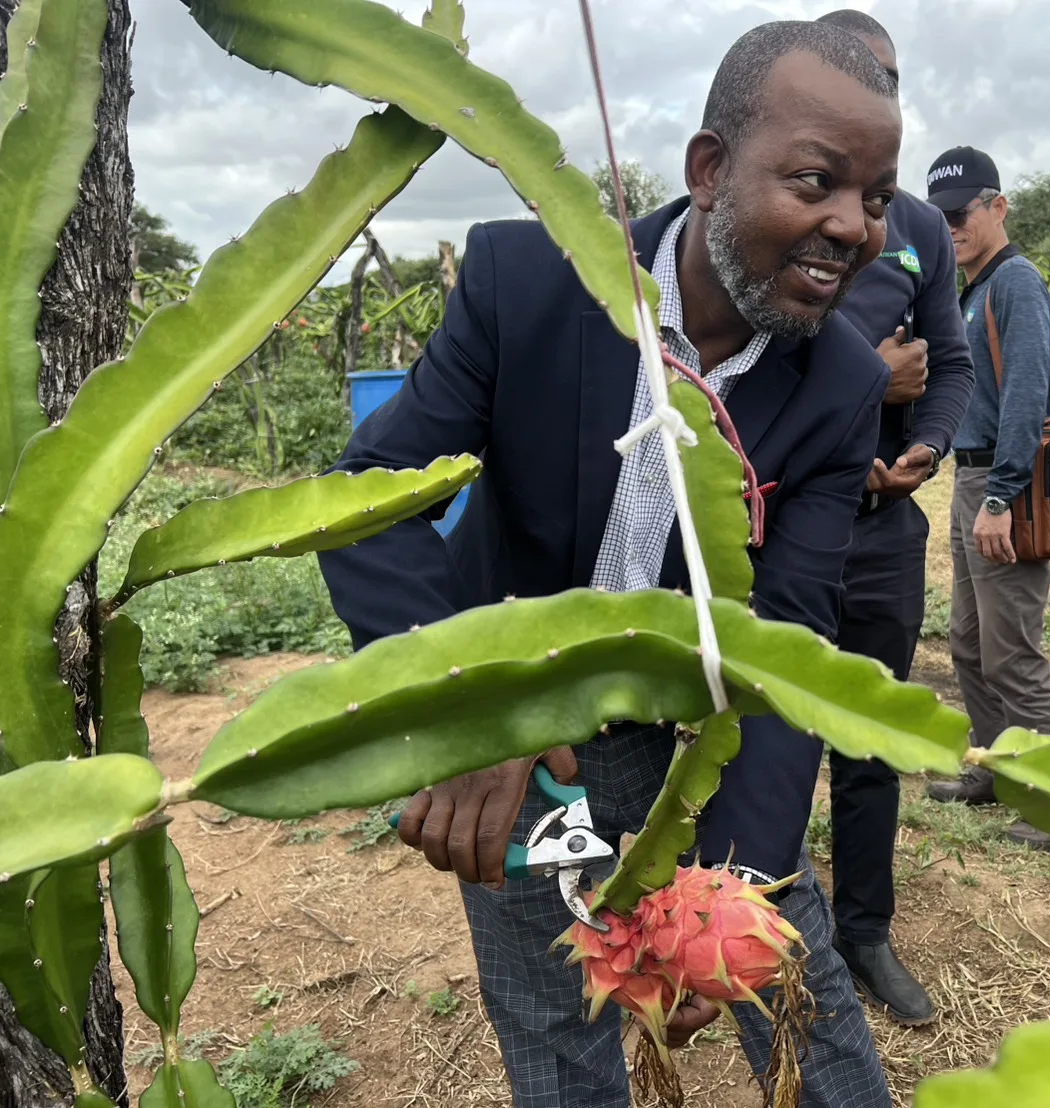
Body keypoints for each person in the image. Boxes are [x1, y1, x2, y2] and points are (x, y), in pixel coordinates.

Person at [318, 22, 903, 1108]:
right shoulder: (528, 282)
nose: (850, 227)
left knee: (787, 976)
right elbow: (368, 504)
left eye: (874, 197)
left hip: (700, 730)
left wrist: (720, 887)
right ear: (709, 169)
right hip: (532, 742)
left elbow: (787, 651)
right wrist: (476, 712)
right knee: (555, 1010)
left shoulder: (842, 384)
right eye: (817, 181)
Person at [811, 9, 974, 1029]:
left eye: (891, 78)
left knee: (869, 741)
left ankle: (863, 928)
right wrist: (862, 389)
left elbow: (949, 363)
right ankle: (756, 915)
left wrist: (924, 450)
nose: (880, 92)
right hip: (783, 525)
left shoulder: (916, 227)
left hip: (882, 533)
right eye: (855, 74)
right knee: (765, 731)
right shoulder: (772, 215)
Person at [921, 146, 1050, 851]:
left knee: (1012, 651)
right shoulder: (970, 289)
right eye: (936, 217)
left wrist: (1002, 495)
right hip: (969, 477)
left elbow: (1027, 394)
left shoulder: (1014, 282)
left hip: (1002, 481)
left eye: (959, 213)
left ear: (996, 206)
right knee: (969, 642)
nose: (949, 227)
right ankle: (992, 771)